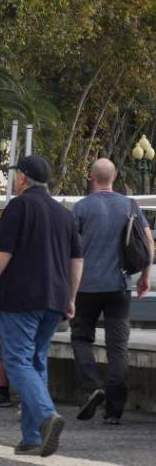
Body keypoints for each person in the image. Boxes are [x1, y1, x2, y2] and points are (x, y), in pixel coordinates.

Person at [0, 155, 82, 457]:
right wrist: (71, 297)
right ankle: (32, 437)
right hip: (55, 299)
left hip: (22, 297)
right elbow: (77, 261)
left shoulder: (18, 206)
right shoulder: (64, 214)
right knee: (36, 361)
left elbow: (3, 253)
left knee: (18, 360)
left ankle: (47, 415)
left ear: (22, 178)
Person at [71, 157, 152, 425]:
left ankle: (92, 387)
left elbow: (70, 251)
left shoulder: (81, 208)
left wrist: (67, 290)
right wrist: (145, 277)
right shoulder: (129, 205)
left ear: (91, 178)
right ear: (114, 177)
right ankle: (115, 411)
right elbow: (148, 241)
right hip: (119, 285)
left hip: (86, 287)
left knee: (81, 339)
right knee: (118, 347)